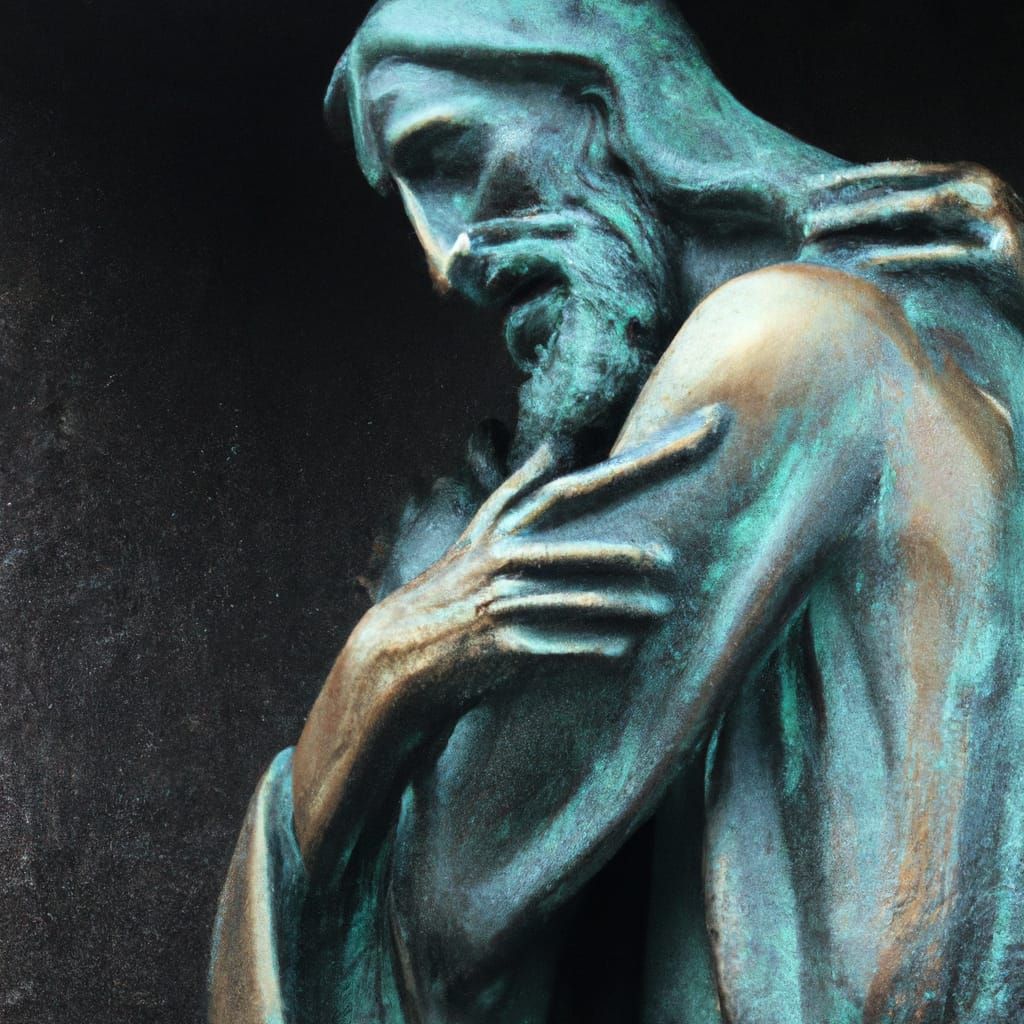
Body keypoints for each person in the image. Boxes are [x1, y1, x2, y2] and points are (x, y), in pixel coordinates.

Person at [209, 2, 1024, 1021]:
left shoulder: (773, 349)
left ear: (607, 108)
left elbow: (453, 924)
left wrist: (380, 671)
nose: (445, 256)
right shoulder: (965, 334)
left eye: (449, 155)